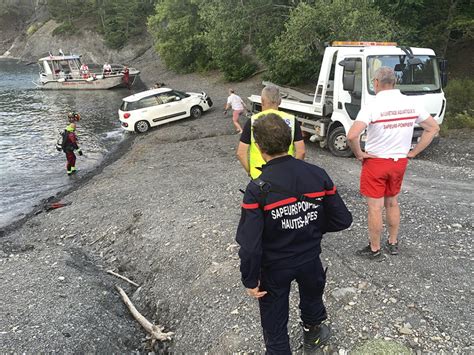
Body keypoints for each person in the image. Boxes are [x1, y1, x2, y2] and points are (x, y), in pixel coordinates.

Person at [236, 113, 352, 354]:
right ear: (290, 141)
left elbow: (250, 245)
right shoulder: (317, 174)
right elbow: (342, 219)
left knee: (275, 321)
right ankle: (313, 335)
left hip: (275, 266)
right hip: (310, 257)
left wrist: (249, 278)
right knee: (312, 296)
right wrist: (309, 225)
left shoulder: (257, 189)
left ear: (258, 146)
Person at [346, 66, 440, 260]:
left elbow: (352, 135)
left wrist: (359, 153)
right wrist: (414, 152)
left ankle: (374, 249)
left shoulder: (372, 105)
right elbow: (433, 127)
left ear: (376, 83)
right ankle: (393, 242)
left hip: (376, 162)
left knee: (375, 207)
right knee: (392, 202)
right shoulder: (410, 103)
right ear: (395, 82)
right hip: (399, 162)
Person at [237, 85, 305, 179]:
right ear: (280, 101)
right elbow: (301, 152)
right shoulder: (292, 120)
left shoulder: (252, 121)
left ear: (262, 101)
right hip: (286, 174)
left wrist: (250, 171)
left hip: (260, 175)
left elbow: (241, 153)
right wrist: (293, 171)